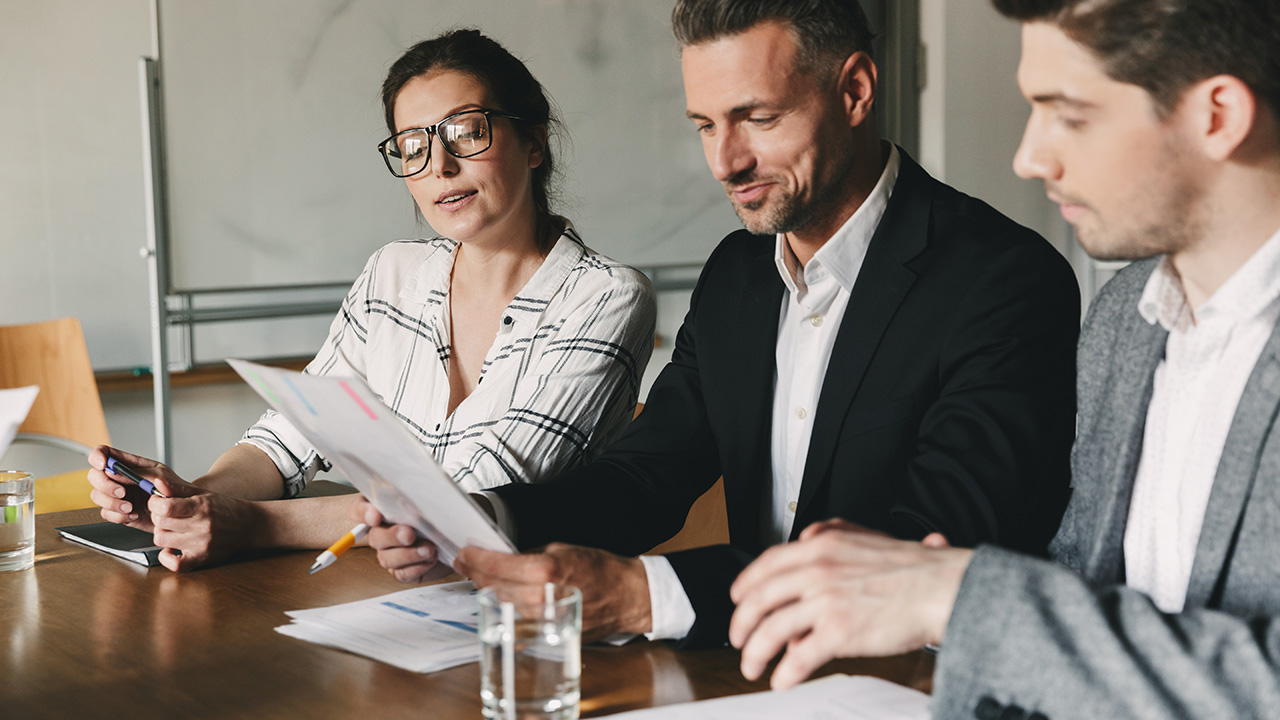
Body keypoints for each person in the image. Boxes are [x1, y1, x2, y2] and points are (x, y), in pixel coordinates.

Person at [364, 0, 1081, 648]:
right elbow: (643, 479)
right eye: (705, 125)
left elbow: (934, 543)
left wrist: (644, 595)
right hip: (747, 675)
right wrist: (480, 516)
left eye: (758, 119)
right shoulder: (738, 273)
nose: (725, 162)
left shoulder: (1006, 281)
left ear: (855, 91)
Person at [728, 1, 1280, 718]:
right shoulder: (1125, 322)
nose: (1029, 157)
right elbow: (1084, 612)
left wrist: (954, 595)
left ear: (1217, 116)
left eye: (1070, 115)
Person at [85, 29, 656, 573]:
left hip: (534, 618)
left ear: (533, 142)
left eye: (466, 131)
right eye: (413, 146)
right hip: (386, 596)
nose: (440, 166)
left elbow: (465, 503)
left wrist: (252, 525)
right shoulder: (392, 273)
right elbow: (289, 437)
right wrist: (187, 500)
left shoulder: (606, 297)